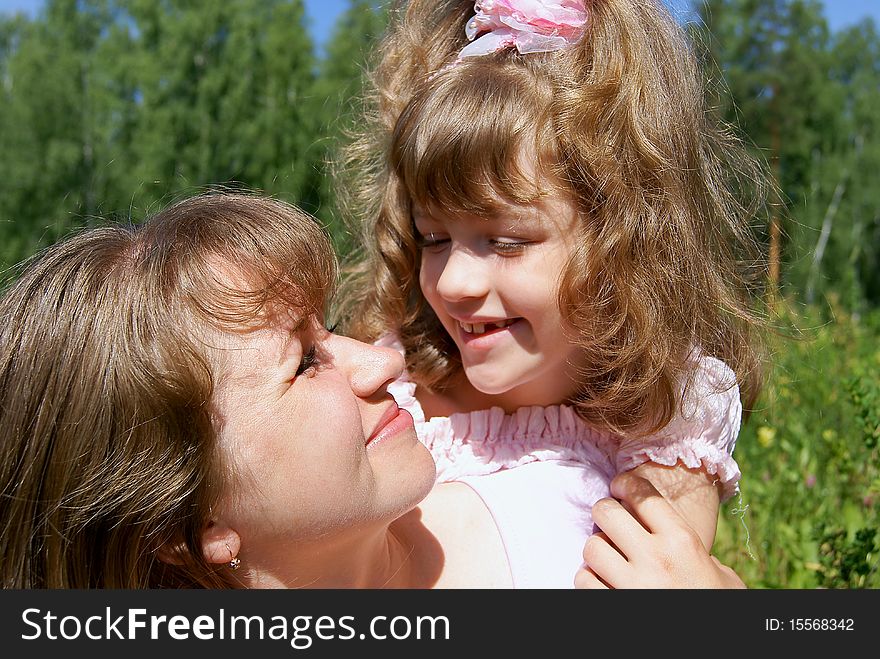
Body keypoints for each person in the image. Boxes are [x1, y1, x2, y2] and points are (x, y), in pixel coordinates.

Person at [0, 191, 744, 589]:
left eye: (327, 332)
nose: (379, 363)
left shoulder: (570, 516)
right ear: (190, 528)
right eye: (302, 363)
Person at [342, 0, 768, 587]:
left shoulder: (664, 417)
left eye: (508, 241)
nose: (454, 282)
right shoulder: (394, 393)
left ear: (621, 239)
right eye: (433, 237)